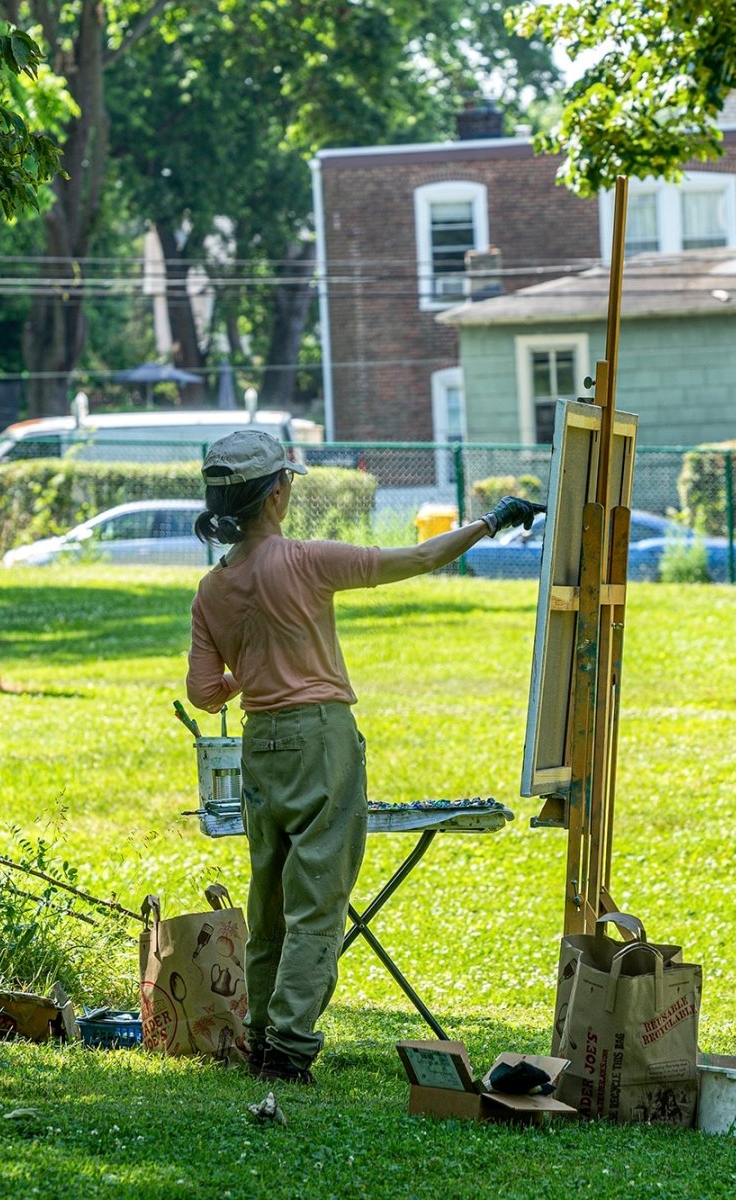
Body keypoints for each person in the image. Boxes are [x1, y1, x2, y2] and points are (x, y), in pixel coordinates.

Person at [184, 429, 542, 1084]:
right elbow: (418, 557)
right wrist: (490, 521)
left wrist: (254, 670)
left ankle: (262, 1035)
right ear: (276, 493)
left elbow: (206, 694)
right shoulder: (305, 560)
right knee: (317, 903)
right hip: (321, 739)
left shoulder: (213, 588)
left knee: (268, 903)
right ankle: (288, 1052)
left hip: (260, 744)